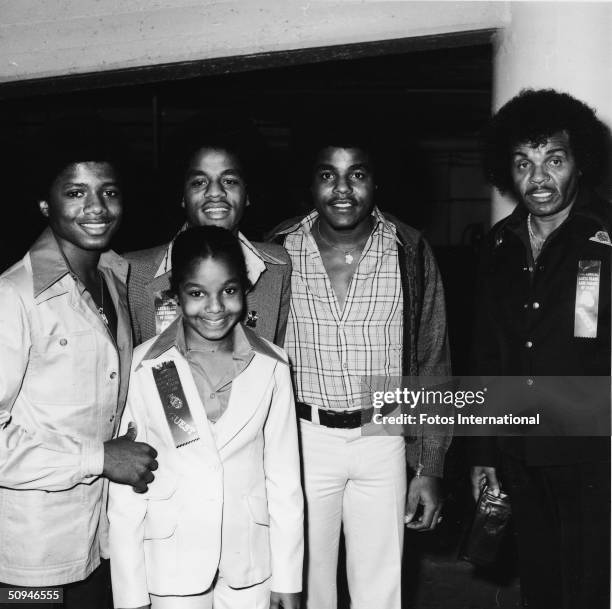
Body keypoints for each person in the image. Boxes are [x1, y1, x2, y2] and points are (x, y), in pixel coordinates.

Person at [271, 130, 452, 609]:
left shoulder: (408, 249)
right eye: (328, 175)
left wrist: (429, 466)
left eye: (357, 175)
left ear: (376, 183)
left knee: (380, 590)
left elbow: (433, 361)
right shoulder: (275, 250)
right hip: (303, 438)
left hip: (384, 435)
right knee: (305, 588)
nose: (343, 189)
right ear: (312, 184)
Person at [0, 128, 158, 608]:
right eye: (75, 192)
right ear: (46, 204)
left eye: (108, 192)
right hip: (34, 561)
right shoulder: (14, 297)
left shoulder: (114, 276)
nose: (97, 207)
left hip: (101, 541)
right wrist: (99, 459)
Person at [109, 226, 303, 609]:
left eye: (229, 291)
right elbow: (128, 489)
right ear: (176, 294)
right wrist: (130, 595)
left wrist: (289, 577)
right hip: (170, 569)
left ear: (245, 290)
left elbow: (284, 482)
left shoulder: (274, 365)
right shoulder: (147, 367)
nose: (215, 307)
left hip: (249, 567)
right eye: (197, 293)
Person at [469, 89, 611, 609]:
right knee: (541, 587)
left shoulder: (606, 238)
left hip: (595, 453)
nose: (539, 178)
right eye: (523, 163)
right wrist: (483, 451)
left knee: (589, 591)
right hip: (518, 451)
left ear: (580, 162)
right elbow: (486, 354)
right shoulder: (499, 245)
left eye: (553, 159)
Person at [126, 137, 291, 346]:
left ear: (247, 195)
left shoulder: (278, 268)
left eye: (229, 181)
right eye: (199, 182)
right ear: (183, 196)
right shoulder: (132, 274)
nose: (215, 193)